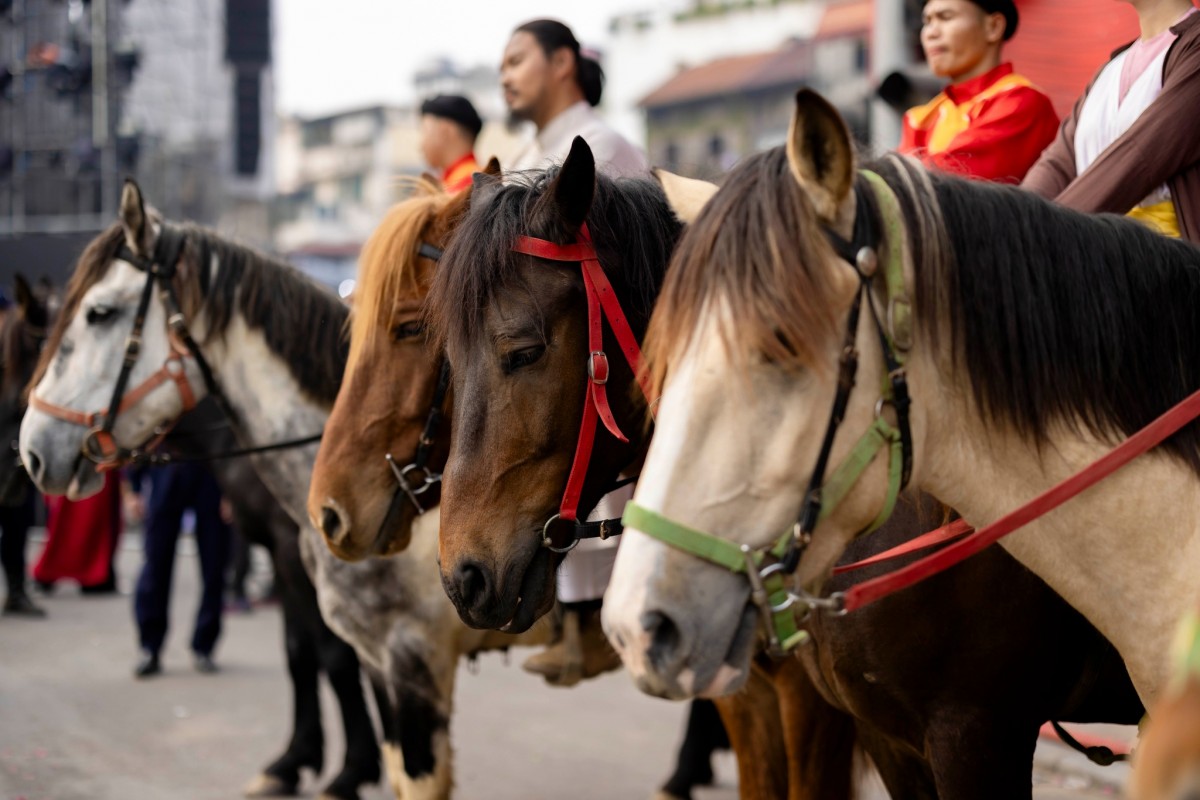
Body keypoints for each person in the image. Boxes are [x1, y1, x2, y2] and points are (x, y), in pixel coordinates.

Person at [498, 18, 648, 686]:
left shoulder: (601, 144)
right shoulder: (538, 146)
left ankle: (590, 622)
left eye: (517, 59)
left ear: (562, 63)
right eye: (502, 63)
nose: (506, 73)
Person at [1022, 0, 1200, 242]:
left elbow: (1141, 154)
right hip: (1096, 259)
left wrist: (1042, 234)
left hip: (1168, 263)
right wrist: (1014, 217)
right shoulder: (1111, 68)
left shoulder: (1194, 47)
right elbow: (1059, 163)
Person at [900, 0, 1059, 182]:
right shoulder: (922, 117)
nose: (931, 33)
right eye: (927, 21)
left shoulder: (1020, 101)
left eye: (946, 17)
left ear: (993, 27)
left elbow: (946, 183)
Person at [503, 18, 648, 178]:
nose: (505, 80)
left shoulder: (599, 145)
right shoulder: (517, 160)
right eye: (502, 70)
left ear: (561, 62)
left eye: (515, 62)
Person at [128, 462, 232, 678]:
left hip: (210, 474)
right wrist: (132, 489)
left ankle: (204, 645)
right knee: (155, 567)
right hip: (165, 467)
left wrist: (232, 491)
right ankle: (150, 647)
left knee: (215, 567)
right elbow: (140, 432)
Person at [33, 471, 122, 594]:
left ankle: (98, 573)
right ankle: (89, 574)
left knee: (95, 521)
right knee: (76, 520)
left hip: (100, 466)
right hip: (83, 468)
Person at [419, 94, 483, 193]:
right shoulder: (478, 180)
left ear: (445, 131)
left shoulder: (467, 190)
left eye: (425, 132)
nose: (421, 146)